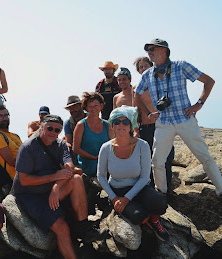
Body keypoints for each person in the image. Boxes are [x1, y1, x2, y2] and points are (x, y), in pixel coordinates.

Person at [135, 38, 222, 197]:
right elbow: (137, 95)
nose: (149, 52)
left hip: (185, 120)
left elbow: (209, 81)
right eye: (148, 49)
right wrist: (148, 113)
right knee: (157, 162)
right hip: (164, 123)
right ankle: (161, 194)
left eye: (153, 49)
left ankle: (221, 189)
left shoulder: (181, 66)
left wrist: (199, 104)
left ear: (164, 50)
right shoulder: (148, 75)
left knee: (204, 156)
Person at [14, 115, 100, 259]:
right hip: (31, 196)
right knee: (62, 228)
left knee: (77, 180)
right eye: (50, 128)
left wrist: (56, 186)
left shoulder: (60, 145)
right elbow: (25, 180)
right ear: (42, 126)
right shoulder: (28, 147)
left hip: (51, 189)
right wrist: (54, 177)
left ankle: (84, 229)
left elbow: (69, 168)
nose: (53, 132)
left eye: (57, 130)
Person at [97, 106, 169, 241]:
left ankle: (154, 221)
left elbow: (144, 177)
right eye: (117, 122)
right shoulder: (106, 148)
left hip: (140, 188)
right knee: (138, 217)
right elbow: (100, 175)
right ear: (112, 126)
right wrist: (114, 198)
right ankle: (145, 217)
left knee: (160, 202)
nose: (121, 125)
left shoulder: (142, 145)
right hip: (118, 191)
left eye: (125, 122)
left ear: (131, 125)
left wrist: (127, 199)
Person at [133, 55, 175, 195]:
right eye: (141, 67)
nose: (143, 68)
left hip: (162, 126)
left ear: (151, 66)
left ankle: (166, 192)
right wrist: (135, 130)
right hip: (145, 128)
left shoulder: (160, 83)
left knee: (166, 159)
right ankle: (152, 191)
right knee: (148, 160)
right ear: (138, 71)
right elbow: (135, 111)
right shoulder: (137, 88)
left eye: (146, 65)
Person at [73, 92, 114, 177]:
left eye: (96, 105)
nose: (93, 109)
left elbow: (113, 144)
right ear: (86, 108)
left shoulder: (107, 124)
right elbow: (76, 149)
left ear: (101, 106)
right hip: (88, 166)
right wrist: (94, 157)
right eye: (90, 106)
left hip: (106, 165)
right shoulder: (81, 125)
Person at [0, 104, 22, 180]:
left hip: (29, 173)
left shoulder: (15, 136)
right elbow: (11, 161)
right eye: (0, 116)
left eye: (6, 115)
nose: (4, 118)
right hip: (18, 178)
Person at [63, 95, 86, 165]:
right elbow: (68, 141)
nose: (72, 110)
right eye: (70, 108)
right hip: (76, 153)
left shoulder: (90, 118)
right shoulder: (68, 123)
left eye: (75, 107)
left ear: (81, 106)